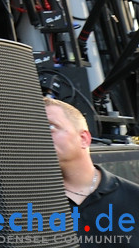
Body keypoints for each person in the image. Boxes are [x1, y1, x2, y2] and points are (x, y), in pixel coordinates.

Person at [44, 96, 139, 238]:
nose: (38, 135)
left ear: (83, 139)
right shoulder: (18, 204)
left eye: (51, 127)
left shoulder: (134, 199)